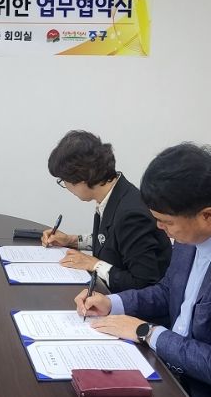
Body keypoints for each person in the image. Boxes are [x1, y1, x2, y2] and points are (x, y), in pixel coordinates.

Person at [75, 143, 211, 397]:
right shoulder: (188, 241)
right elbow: (167, 291)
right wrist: (112, 303)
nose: (159, 228)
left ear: (207, 216)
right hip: (164, 366)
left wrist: (147, 332)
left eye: (166, 221)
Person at [42, 130, 172, 292]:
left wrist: (95, 265)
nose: (66, 187)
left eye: (64, 180)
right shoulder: (116, 194)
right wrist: (71, 240)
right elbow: (113, 242)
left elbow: (143, 283)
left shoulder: (131, 215)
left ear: (81, 178)